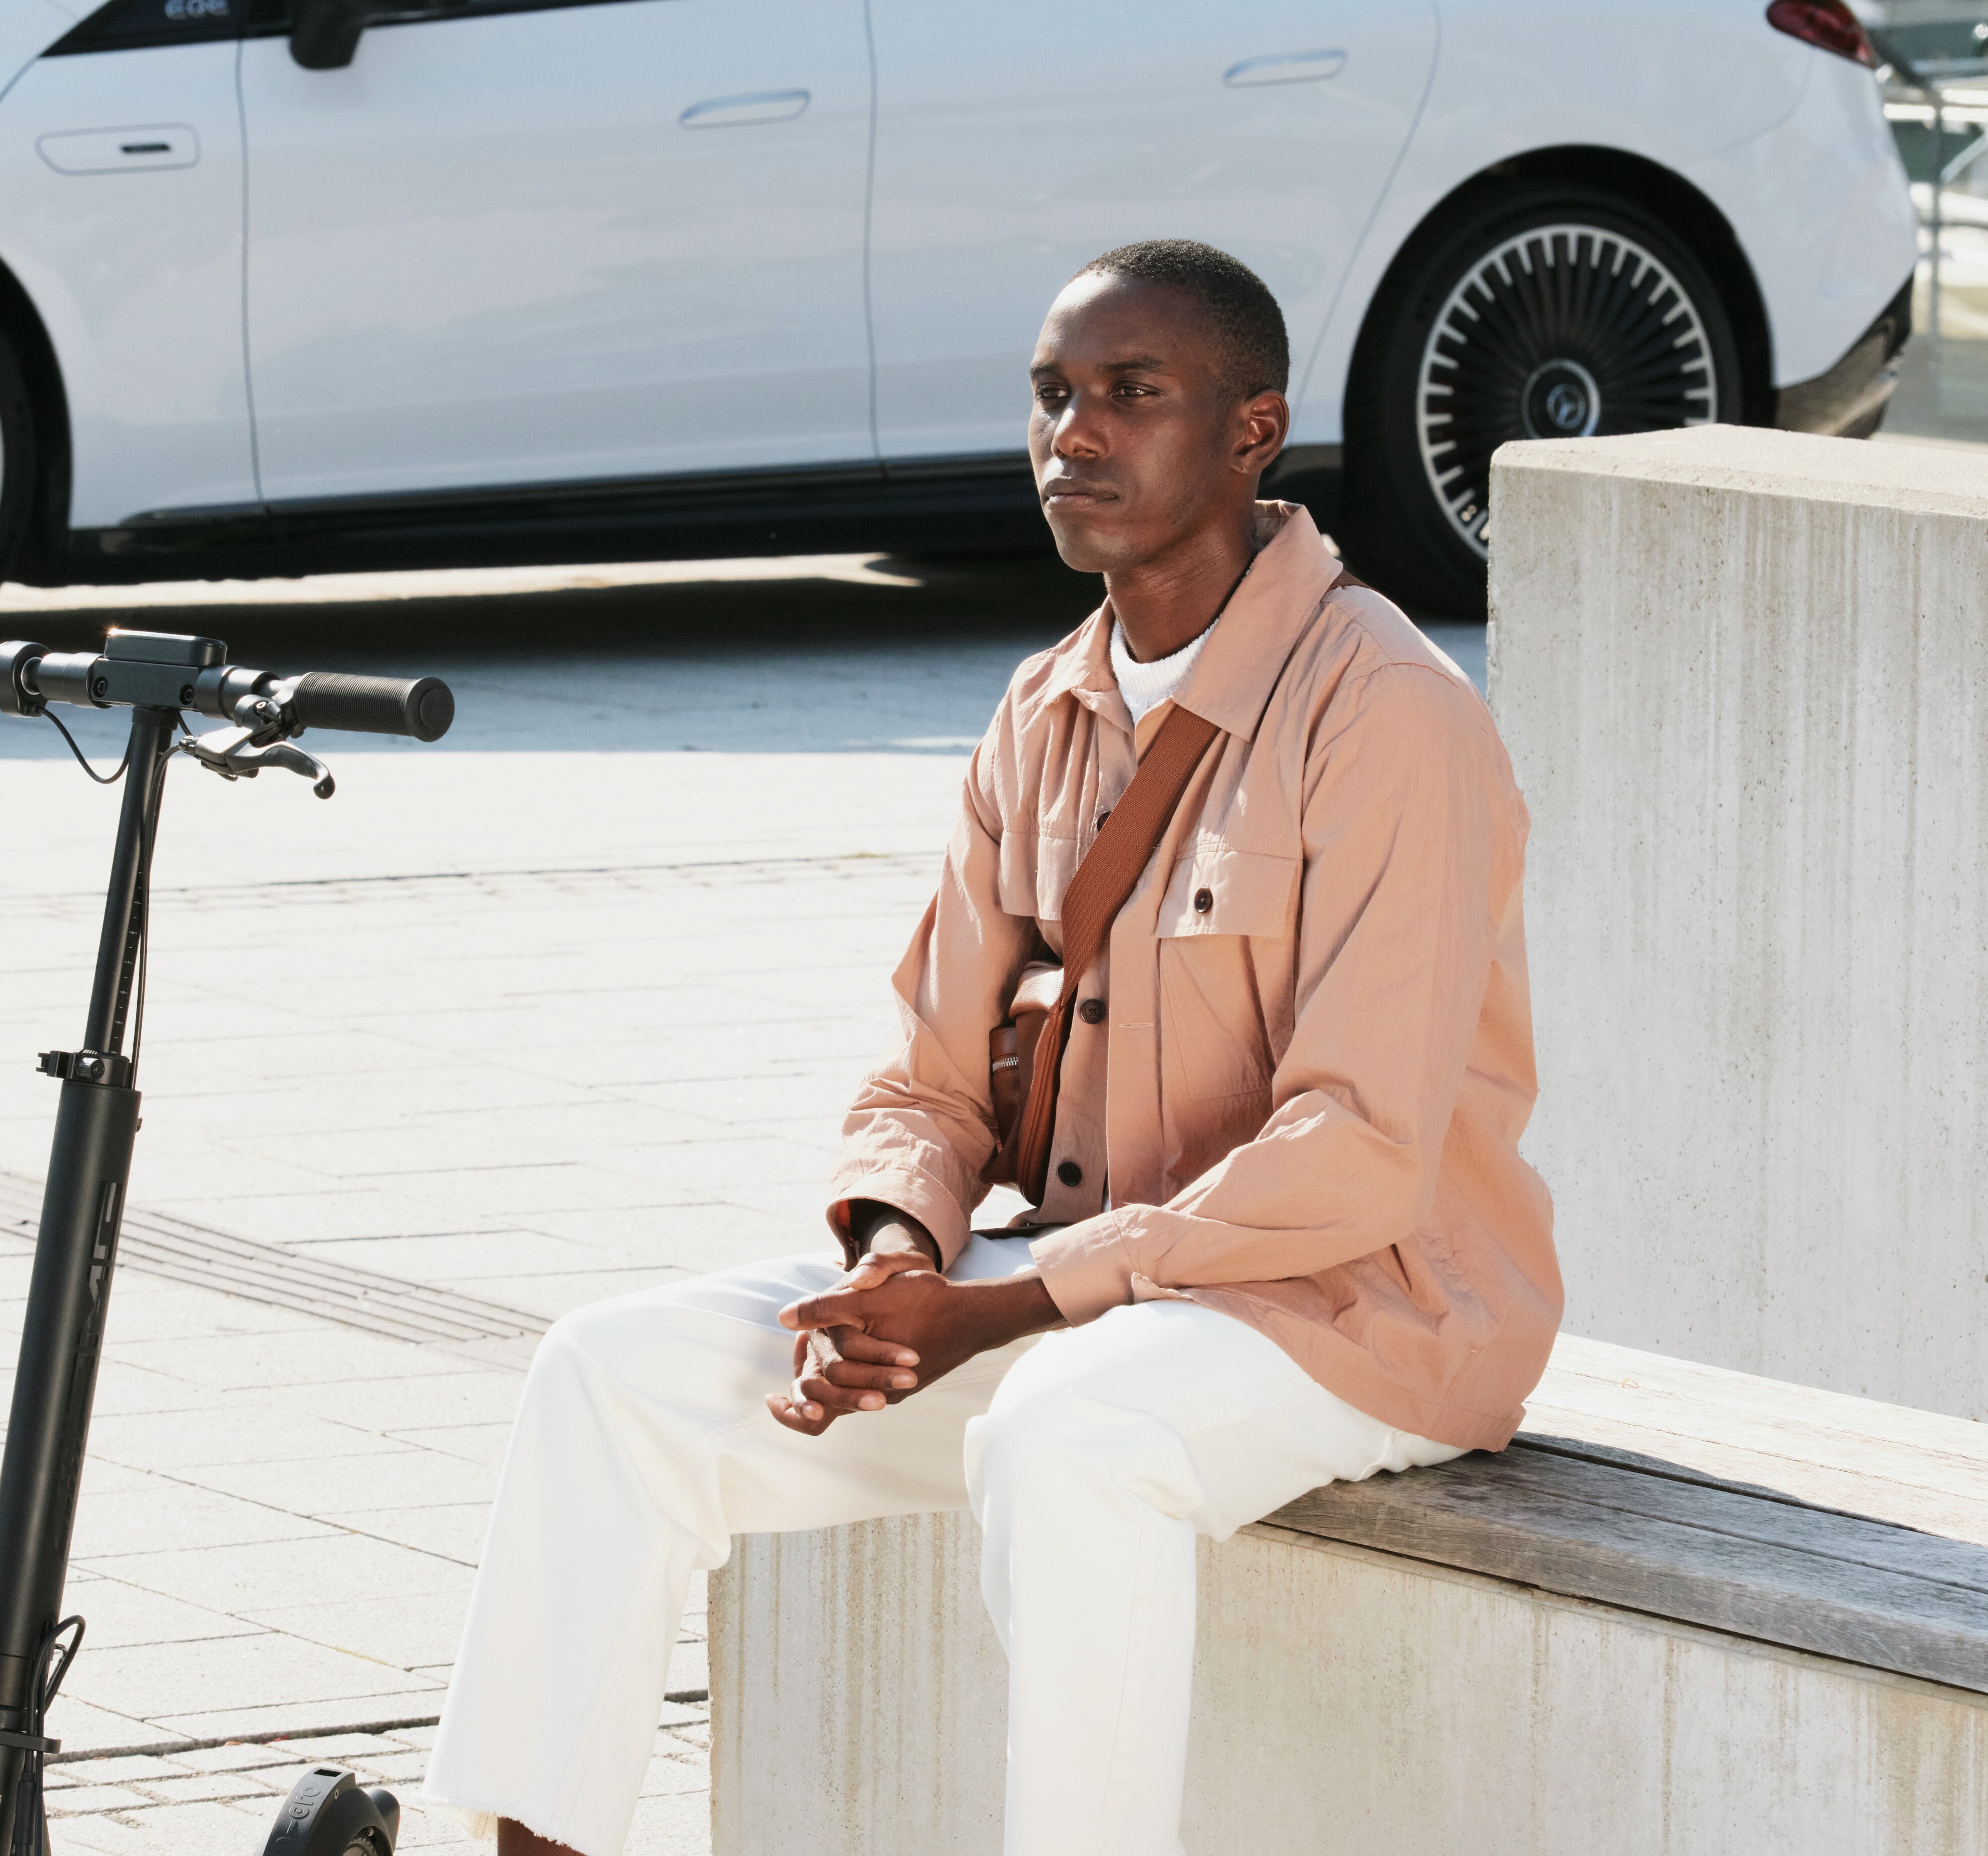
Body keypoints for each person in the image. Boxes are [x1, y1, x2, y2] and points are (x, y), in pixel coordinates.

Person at [421, 240, 1561, 1855]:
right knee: (609, 1375)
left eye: (1130, 395)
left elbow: (1363, 1144)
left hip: (1368, 1313)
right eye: (1051, 397)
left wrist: (1011, 1302)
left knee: (1069, 1429)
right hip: (1097, 1296)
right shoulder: (1044, 710)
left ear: (1254, 432)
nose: (1072, 438)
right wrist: (898, 1256)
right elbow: (929, 1080)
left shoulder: (1389, 711)